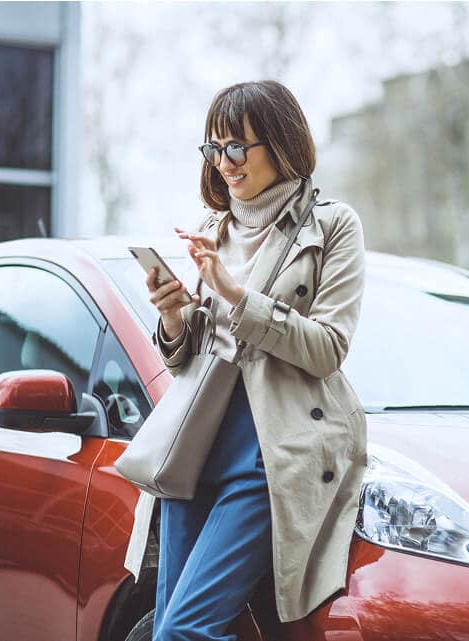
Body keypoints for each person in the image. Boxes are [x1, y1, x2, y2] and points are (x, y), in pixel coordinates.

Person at [142, 80, 368, 639]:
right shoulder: (213, 230)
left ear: (281, 143)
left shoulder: (333, 225)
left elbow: (327, 349)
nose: (225, 163)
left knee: (184, 631)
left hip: (269, 452)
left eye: (237, 148)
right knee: (168, 626)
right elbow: (191, 363)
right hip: (194, 447)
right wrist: (173, 315)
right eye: (214, 149)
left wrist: (238, 295)